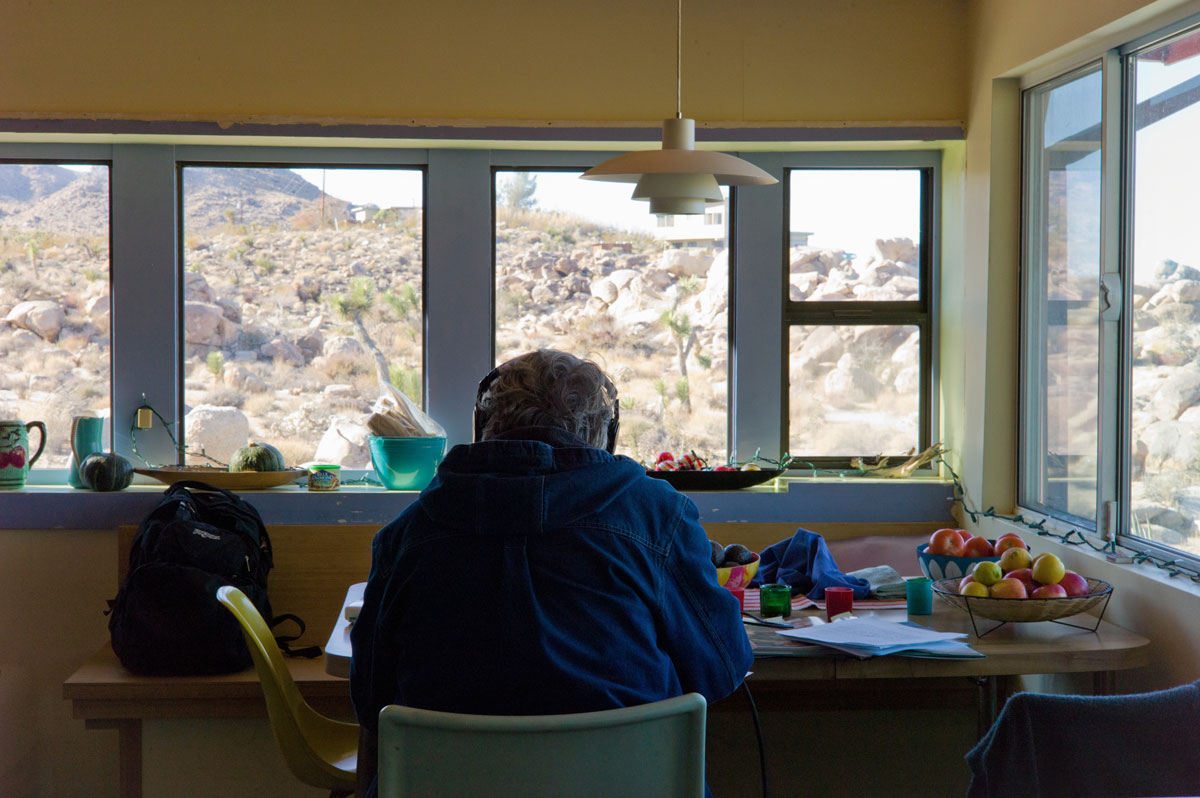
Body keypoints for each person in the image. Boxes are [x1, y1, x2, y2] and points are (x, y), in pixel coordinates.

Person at [350, 349, 753, 797]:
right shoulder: (658, 517)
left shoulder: (407, 535)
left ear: (484, 430)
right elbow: (722, 668)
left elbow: (370, 699)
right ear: (605, 434)